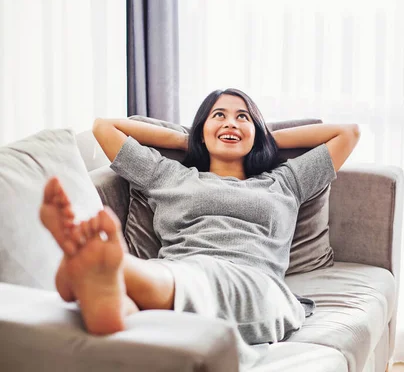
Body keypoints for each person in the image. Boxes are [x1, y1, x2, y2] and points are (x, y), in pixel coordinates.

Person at [39, 88, 360, 347]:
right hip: (178, 268)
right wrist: (190, 141)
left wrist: (263, 139)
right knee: (171, 282)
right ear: (201, 130)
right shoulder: (168, 175)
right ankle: (110, 298)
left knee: (193, 279)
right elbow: (104, 128)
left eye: (243, 118)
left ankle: (99, 270)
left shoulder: (285, 181)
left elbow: (348, 133)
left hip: (256, 286)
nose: (231, 123)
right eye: (218, 116)